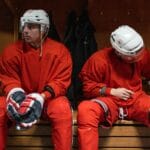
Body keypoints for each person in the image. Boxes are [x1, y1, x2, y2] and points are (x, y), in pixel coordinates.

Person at [0, 9, 73, 150]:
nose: (25, 31)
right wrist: (16, 95)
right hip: (20, 99)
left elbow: (61, 81)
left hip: (47, 99)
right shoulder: (11, 51)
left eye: (31, 27)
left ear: (44, 29)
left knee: (62, 109)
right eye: (24, 26)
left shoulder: (60, 51)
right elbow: (8, 78)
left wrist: (42, 96)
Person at [77, 25, 150, 150]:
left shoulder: (137, 53)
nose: (137, 56)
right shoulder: (99, 60)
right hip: (110, 101)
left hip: (136, 99)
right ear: (118, 52)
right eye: (131, 55)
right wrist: (111, 91)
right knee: (86, 109)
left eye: (139, 51)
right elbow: (87, 88)